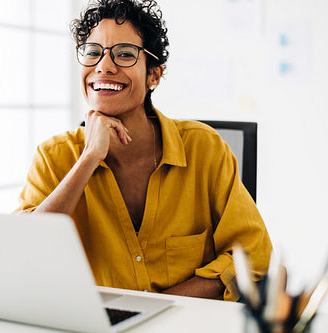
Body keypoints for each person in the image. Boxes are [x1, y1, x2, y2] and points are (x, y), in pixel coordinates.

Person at [17, 0, 272, 301]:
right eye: (93, 52)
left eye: (125, 54)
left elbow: (253, 255)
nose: (104, 66)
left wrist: (157, 309)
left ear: (154, 75)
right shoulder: (54, 157)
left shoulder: (206, 149)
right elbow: (23, 255)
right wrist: (89, 159)